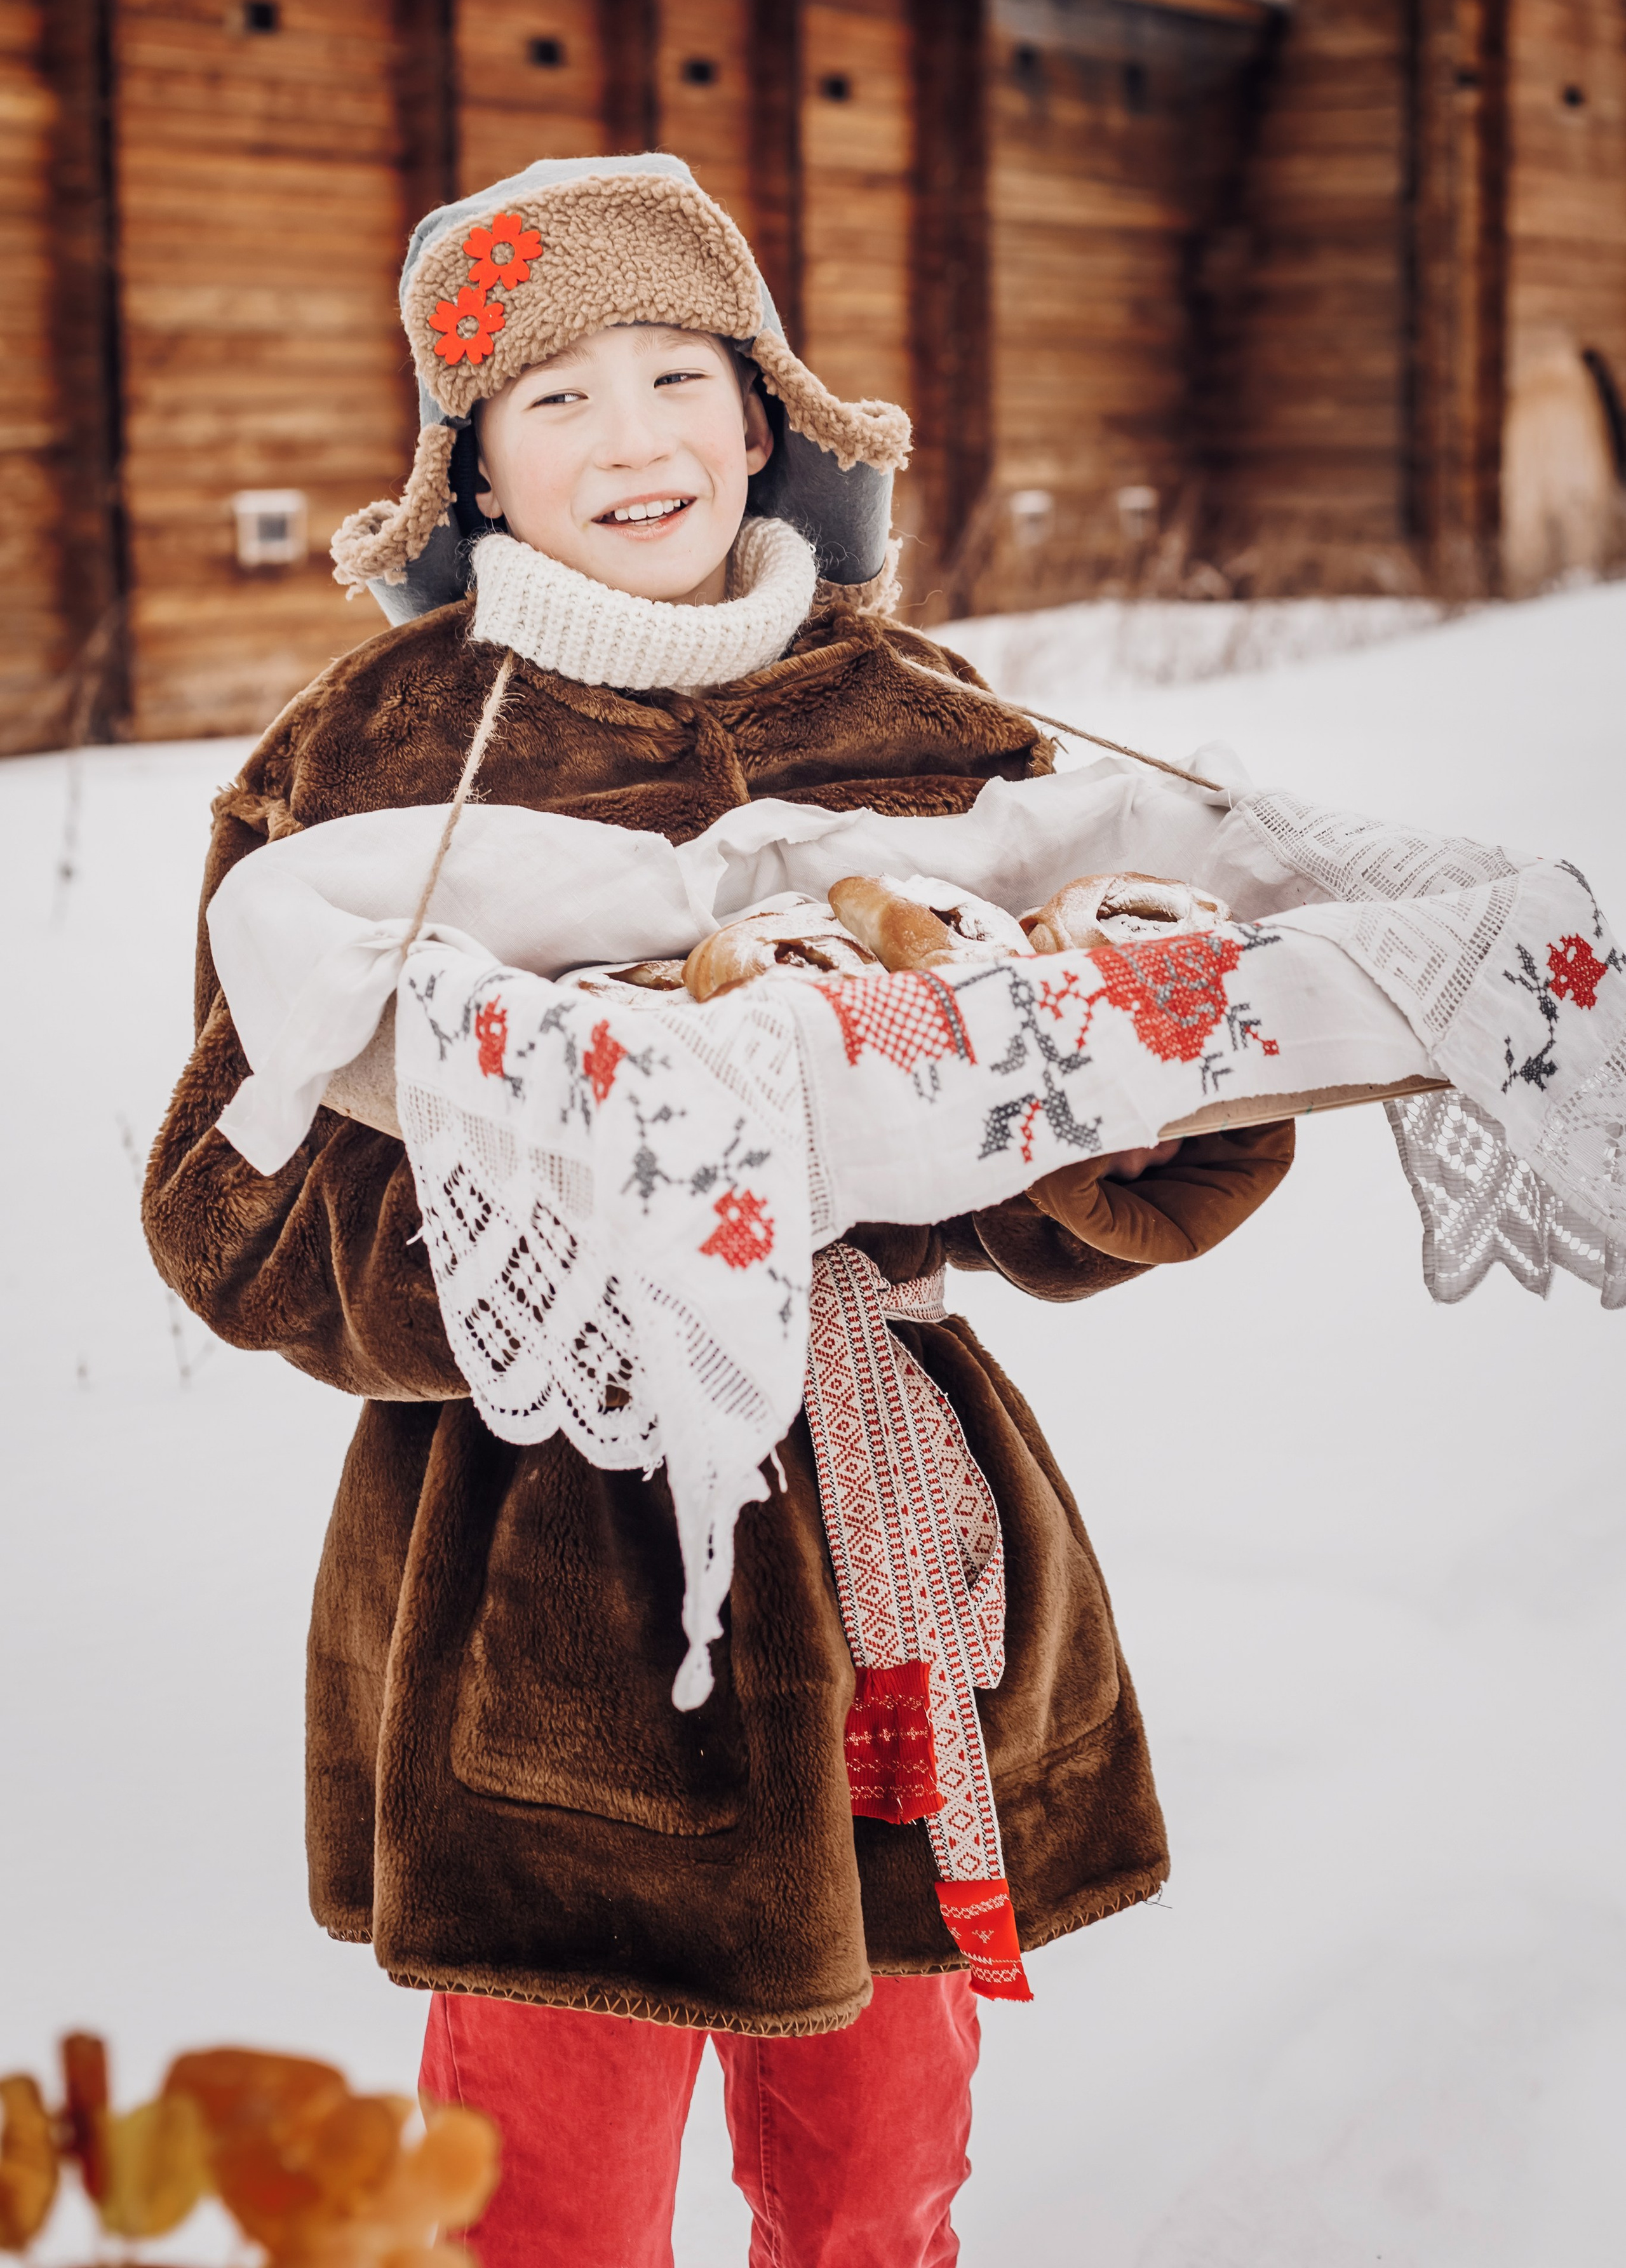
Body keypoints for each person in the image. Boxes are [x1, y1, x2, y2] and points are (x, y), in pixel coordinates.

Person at [143, 155, 1294, 2268]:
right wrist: (573, 1228)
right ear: (468, 460)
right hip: (546, 1596)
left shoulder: (926, 725)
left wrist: (1117, 1093)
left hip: (889, 1551)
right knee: (545, 2204)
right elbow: (230, 1203)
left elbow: (1088, 1158)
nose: (631, 439)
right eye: (551, 395)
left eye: (677, 372)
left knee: (879, 2179)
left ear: (763, 411)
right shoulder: (371, 754)